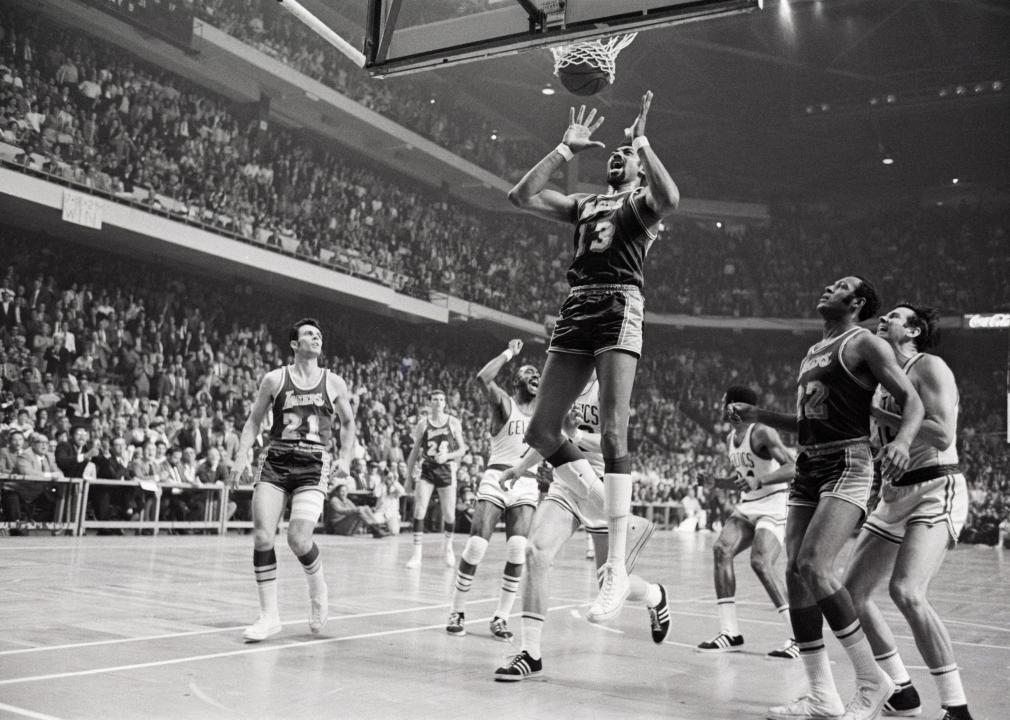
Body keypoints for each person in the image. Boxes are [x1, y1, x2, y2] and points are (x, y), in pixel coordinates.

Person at [506, 92, 680, 623]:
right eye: (617, 154)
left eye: (624, 157)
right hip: (576, 305)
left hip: (619, 303)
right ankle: (605, 505)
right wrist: (563, 149)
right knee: (540, 431)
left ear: (637, 169)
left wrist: (643, 143)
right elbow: (521, 195)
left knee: (612, 428)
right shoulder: (584, 202)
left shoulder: (643, 204)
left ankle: (616, 569)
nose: (617, 158)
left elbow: (671, 197)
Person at [728, 276, 925, 720]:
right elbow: (809, 424)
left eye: (839, 287)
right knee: (796, 573)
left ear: (856, 303)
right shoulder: (814, 352)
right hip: (810, 463)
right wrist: (762, 416)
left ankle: (874, 681)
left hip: (849, 462)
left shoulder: (864, 344)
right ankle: (822, 695)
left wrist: (902, 442)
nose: (827, 288)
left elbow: (912, 401)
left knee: (816, 565)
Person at [493, 371, 668, 681]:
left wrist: (576, 435)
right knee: (535, 552)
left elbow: (619, 443)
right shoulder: (561, 380)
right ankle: (531, 653)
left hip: (603, 487)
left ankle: (655, 595)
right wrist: (520, 467)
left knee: (610, 582)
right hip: (566, 483)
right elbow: (551, 436)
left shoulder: (609, 384)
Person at [843, 304, 973, 720]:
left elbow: (941, 433)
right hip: (894, 493)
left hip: (936, 484)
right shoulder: (881, 377)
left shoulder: (928, 365)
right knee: (852, 594)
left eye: (894, 317)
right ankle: (900, 689)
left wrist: (876, 412)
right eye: (882, 318)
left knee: (906, 591)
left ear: (913, 330)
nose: (883, 321)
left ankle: (956, 706)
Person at [231, 318, 356, 643]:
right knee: (262, 537)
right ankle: (269, 616)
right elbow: (253, 421)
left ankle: (318, 590)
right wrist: (241, 457)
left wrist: (345, 458)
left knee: (299, 540)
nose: (316, 338)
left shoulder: (334, 382)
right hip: (277, 460)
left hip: (313, 462)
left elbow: (349, 423)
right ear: (294, 343)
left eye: (319, 334)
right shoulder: (275, 379)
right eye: (309, 334)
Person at [447, 340, 540, 642]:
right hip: (496, 477)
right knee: (476, 545)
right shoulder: (505, 403)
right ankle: (457, 610)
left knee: (517, 550)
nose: (536, 375)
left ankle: (500, 617)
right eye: (529, 372)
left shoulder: (544, 413)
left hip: (526, 482)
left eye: (538, 373)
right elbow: (482, 379)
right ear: (517, 381)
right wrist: (509, 354)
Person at [697, 385, 798, 659]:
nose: (720, 407)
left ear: (734, 407)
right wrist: (715, 482)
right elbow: (745, 480)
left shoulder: (763, 432)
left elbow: (794, 467)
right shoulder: (731, 438)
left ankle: (799, 636)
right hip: (750, 503)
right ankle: (730, 632)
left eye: (724, 403)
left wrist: (761, 480)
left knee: (760, 563)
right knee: (721, 549)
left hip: (775, 502)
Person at [404, 389, 467, 569]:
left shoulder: (453, 422)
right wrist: (408, 477)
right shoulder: (423, 424)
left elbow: (463, 450)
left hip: (446, 469)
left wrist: (447, 456)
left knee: (449, 514)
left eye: (441, 399)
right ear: (429, 403)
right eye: (435, 399)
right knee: (419, 509)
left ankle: (448, 547)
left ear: (445, 403)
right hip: (427, 468)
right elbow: (415, 452)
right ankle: (416, 555)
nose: (438, 402)